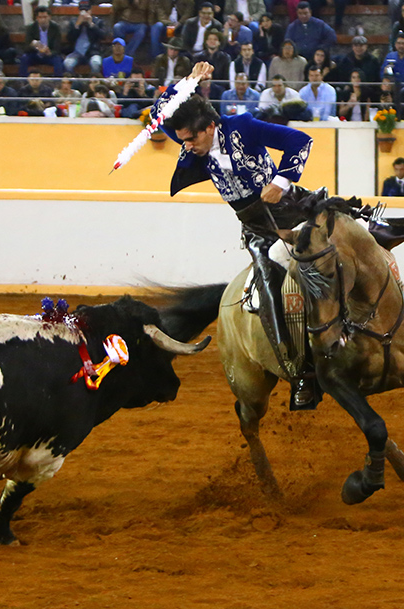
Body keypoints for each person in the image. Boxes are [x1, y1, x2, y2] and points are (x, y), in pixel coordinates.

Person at [154, 61, 317, 410]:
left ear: (210, 127)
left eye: (191, 139)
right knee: (268, 288)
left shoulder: (243, 126)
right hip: (257, 229)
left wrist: (280, 181)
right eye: (183, 139)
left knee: (345, 245)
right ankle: (299, 370)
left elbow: (300, 141)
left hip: (291, 210)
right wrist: (190, 81)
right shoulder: (191, 135)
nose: (186, 146)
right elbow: (160, 111)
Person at [64, 1, 105, 76]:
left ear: (90, 11)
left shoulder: (98, 21)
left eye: (86, 11)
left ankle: (93, 81)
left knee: (96, 63)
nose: (84, 13)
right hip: (76, 52)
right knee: (68, 63)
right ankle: (74, 81)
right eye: (82, 11)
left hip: (92, 52)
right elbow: (69, 38)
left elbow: (103, 36)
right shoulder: (73, 22)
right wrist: (77, 25)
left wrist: (91, 24)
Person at [20, 6, 63, 77]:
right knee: (24, 58)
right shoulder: (31, 28)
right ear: (37, 18)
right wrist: (34, 46)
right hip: (35, 54)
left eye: (45, 17)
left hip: (49, 55)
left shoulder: (55, 28)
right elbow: (26, 47)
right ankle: (23, 81)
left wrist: (50, 52)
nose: (43, 20)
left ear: (49, 17)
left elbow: (57, 48)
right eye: (40, 17)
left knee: (58, 60)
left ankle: (57, 81)